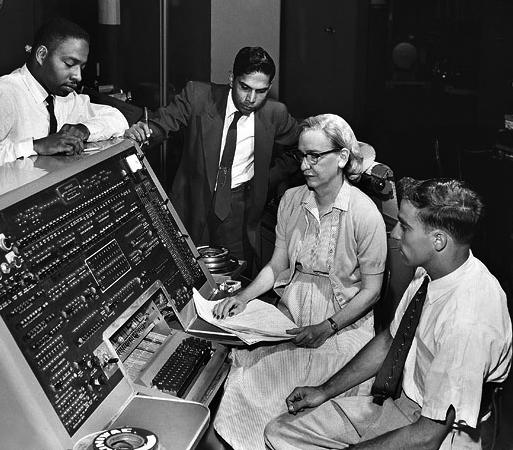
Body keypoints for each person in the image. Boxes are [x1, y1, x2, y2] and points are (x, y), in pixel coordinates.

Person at [264, 177, 513, 449]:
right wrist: (323, 391)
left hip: (444, 435)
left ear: (438, 240)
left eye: (404, 227)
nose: (395, 234)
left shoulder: (468, 320)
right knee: (279, 431)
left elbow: (428, 436)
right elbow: (389, 341)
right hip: (404, 405)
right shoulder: (430, 272)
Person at [210, 114, 387, 450]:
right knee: (240, 377)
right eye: (302, 155)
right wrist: (245, 297)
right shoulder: (291, 200)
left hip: (344, 325)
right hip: (291, 314)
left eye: (315, 156)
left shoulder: (365, 214)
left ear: (342, 158)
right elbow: (277, 264)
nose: (305, 164)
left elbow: (372, 291)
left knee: (285, 399)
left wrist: (327, 326)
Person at [124, 46, 301, 265]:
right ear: (231, 78)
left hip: (240, 210)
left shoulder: (276, 113)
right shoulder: (198, 96)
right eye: (244, 87)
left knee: (235, 277)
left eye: (261, 91)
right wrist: (145, 132)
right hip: (194, 203)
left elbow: (303, 144)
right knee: (190, 273)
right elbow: (164, 122)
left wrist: (267, 178)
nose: (251, 99)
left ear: (270, 87)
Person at [0, 17, 128, 166]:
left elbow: (117, 119)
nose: (78, 76)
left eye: (82, 67)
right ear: (41, 55)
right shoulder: (6, 93)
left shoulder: (65, 97)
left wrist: (84, 130)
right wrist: (36, 146)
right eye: (69, 64)